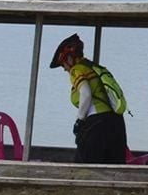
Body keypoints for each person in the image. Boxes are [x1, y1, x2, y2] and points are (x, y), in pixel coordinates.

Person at [49, 33, 128, 164]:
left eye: (63, 65)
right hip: (116, 122)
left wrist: (79, 120)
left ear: (69, 58)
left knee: (84, 169)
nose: (65, 69)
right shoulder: (95, 67)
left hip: (96, 123)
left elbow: (86, 94)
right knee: (115, 168)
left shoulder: (77, 70)